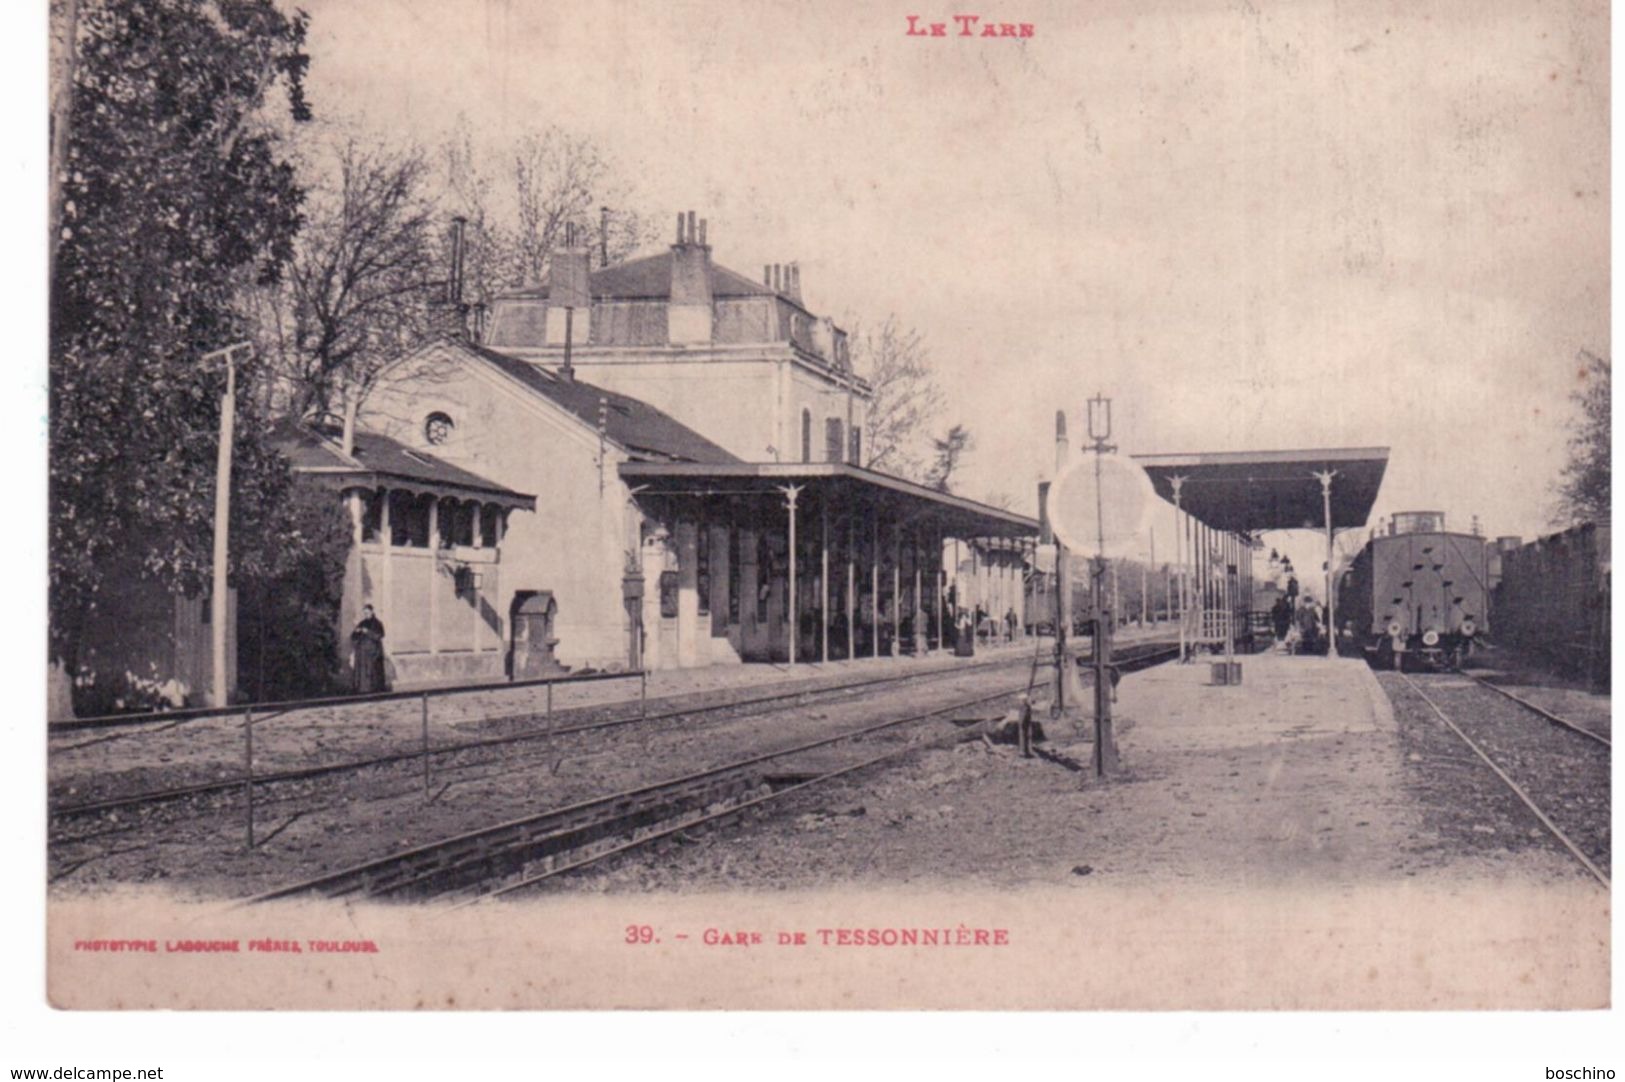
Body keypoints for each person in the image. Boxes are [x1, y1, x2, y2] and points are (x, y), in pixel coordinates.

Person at [350, 604, 387, 693]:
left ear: (372, 612)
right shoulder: (362, 623)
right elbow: (353, 637)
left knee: (372, 671)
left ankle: (373, 689)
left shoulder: (378, 623)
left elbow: (379, 636)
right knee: (362, 672)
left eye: (367, 612)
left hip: (372, 652)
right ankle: (361, 689)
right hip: (362, 653)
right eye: (364, 613)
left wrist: (368, 632)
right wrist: (356, 632)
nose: (366, 615)